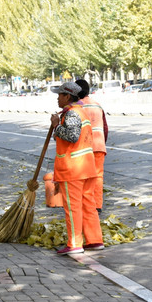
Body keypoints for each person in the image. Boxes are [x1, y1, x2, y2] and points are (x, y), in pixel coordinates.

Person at [50, 82, 104, 255]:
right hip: (86, 168)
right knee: (89, 205)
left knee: (73, 208)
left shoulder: (72, 113)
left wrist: (56, 126)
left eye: (59, 95)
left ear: (67, 96)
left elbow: (72, 137)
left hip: (73, 169)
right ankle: (95, 240)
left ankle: (74, 243)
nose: (57, 98)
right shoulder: (81, 112)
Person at [75, 79, 107, 214]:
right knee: (98, 176)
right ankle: (97, 206)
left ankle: (85, 205)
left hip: (83, 148)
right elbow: (105, 127)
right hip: (99, 146)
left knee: (83, 177)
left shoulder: (76, 107)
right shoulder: (97, 105)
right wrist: (102, 143)